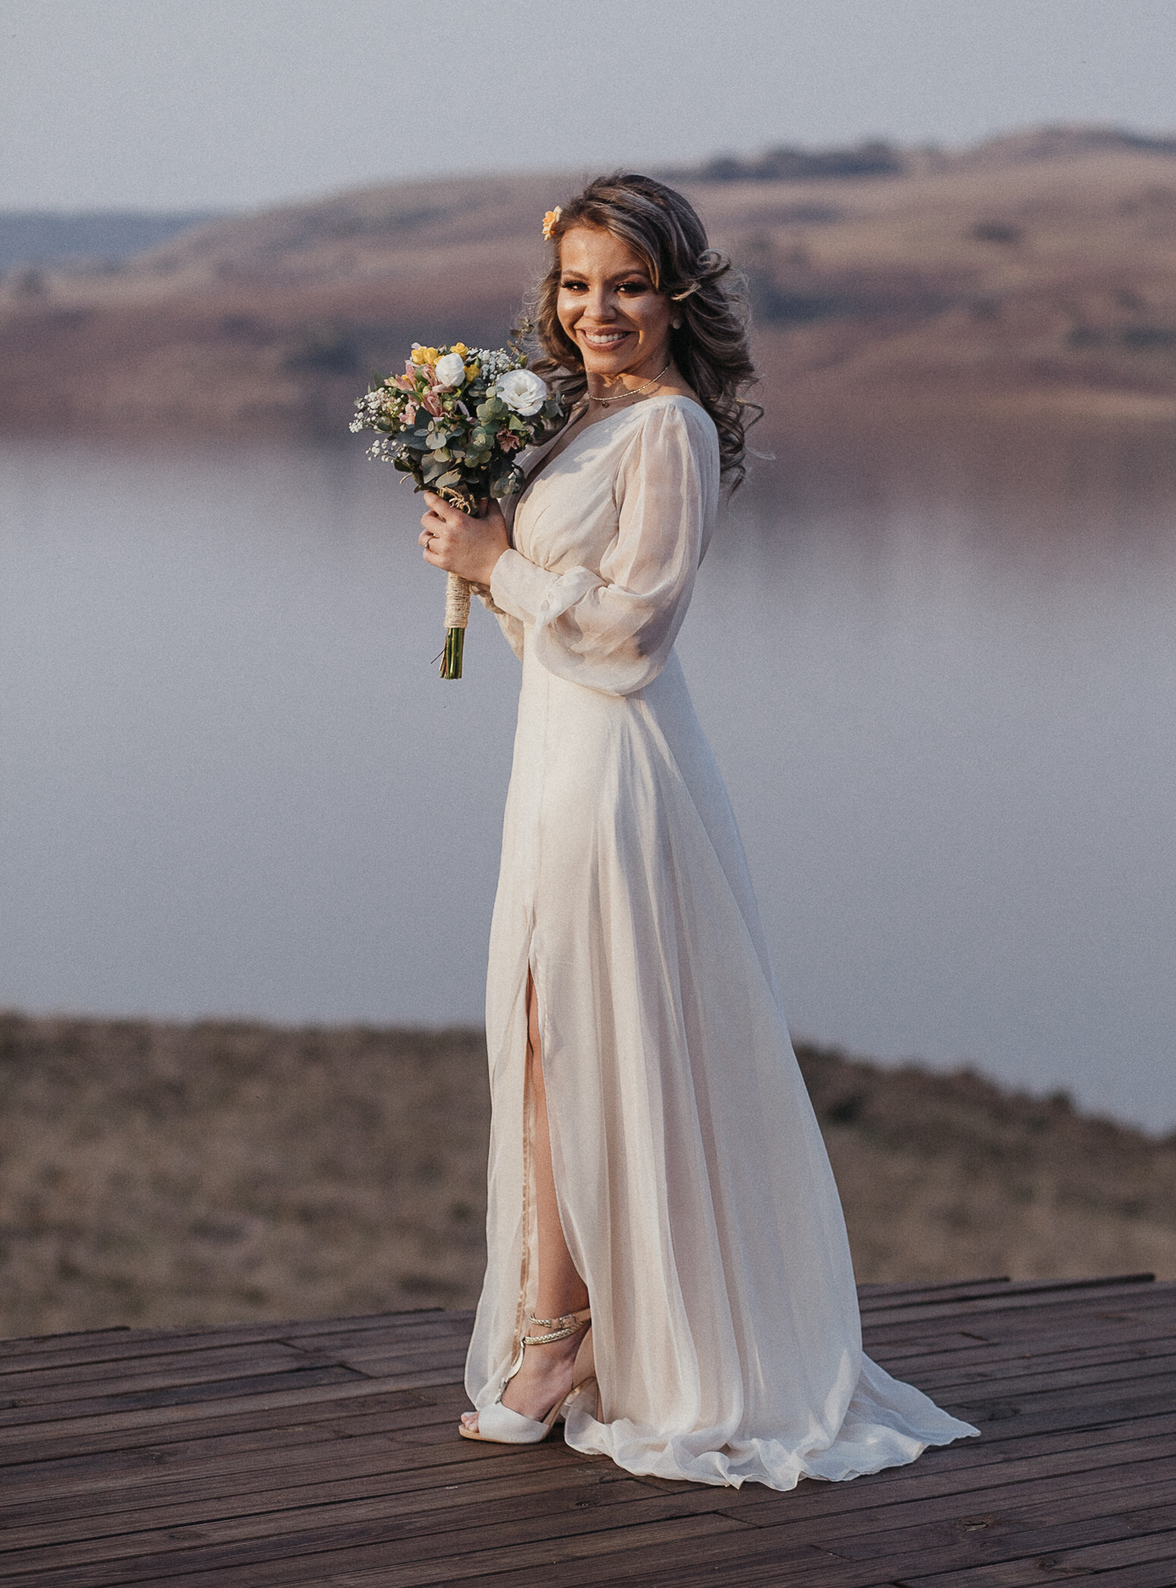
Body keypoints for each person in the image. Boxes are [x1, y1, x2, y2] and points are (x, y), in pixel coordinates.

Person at [416, 174, 977, 1489]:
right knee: (559, 1035)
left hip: (618, 766)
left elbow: (630, 632)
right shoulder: (581, 420)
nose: (597, 308)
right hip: (553, 755)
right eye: (576, 285)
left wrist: (501, 563)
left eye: (625, 284)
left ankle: (562, 1339)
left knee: (576, 1033)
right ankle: (579, 1325)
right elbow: (554, 620)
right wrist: (476, 556)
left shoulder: (665, 429)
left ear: (674, 296)